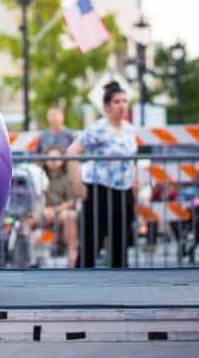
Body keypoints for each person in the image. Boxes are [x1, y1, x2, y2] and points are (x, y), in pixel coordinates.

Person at [67, 81, 137, 268]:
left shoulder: (130, 129)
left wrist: (135, 182)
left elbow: (131, 159)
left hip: (124, 190)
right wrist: (77, 184)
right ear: (107, 106)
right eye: (116, 101)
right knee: (92, 240)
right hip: (100, 189)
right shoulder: (98, 128)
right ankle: (82, 281)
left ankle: (119, 282)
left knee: (121, 240)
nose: (122, 105)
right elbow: (72, 151)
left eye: (124, 101)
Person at [42, 147, 78, 267]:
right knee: (27, 217)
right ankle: (22, 261)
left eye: (56, 158)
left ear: (62, 161)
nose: (53, 161)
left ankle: (72, 257)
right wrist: (43, 210)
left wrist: (54, 210)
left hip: (60, 213)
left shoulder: (68, 177)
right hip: (41, 212)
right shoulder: (39, 175)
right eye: (50, 158)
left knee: (69, 216)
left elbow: (72, 201)